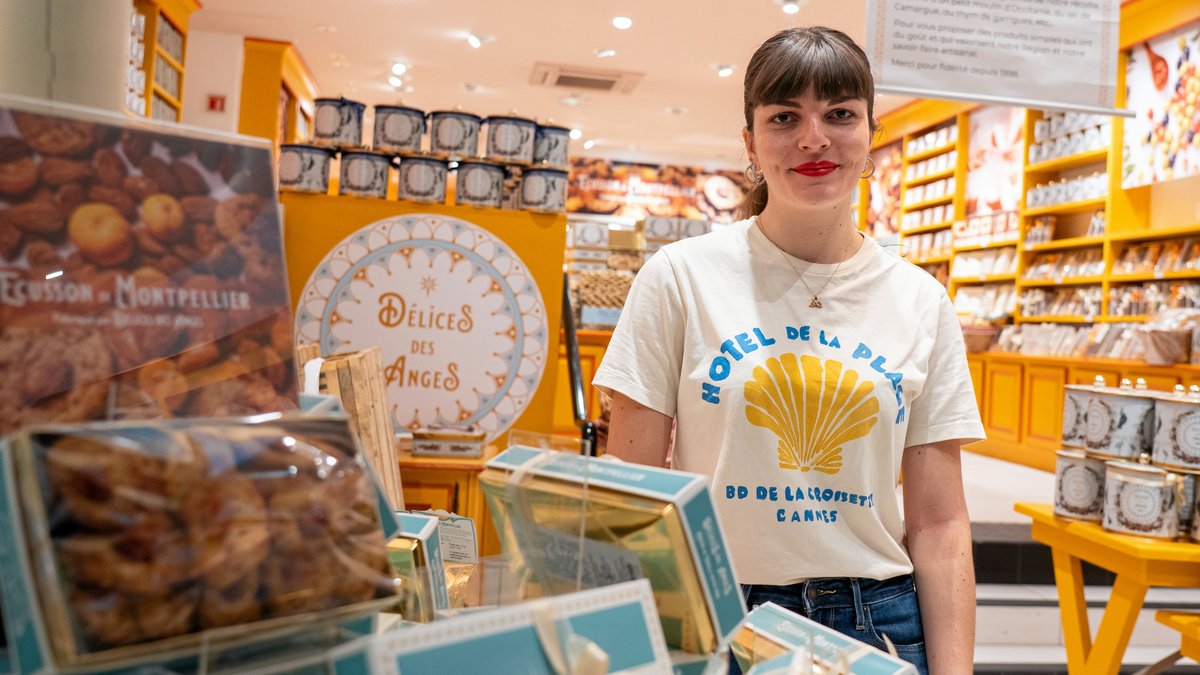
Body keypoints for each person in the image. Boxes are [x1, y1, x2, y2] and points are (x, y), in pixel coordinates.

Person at [591, 26, 983, 675]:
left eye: (839, 114)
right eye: (784, 117)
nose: (813, 138)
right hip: (717, 614)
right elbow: (631, 500)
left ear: (869, 131)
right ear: (749, 141)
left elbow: (940, 525)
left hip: (876, 623)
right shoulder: (678, 276)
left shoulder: (921, 300)